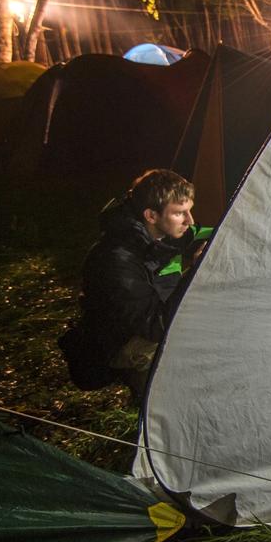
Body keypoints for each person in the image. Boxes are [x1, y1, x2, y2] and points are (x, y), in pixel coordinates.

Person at [60, 169, 211, 398]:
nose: (189, 221)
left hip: (153, 318)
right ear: (151, 215)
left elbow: (200, 234)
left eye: (189, 210)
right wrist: (197, 275)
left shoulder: (162, 233)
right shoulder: (117, 259)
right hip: (119, 342)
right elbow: (156, 326)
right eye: (180, 213)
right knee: (181, 358)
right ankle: (159, 406)